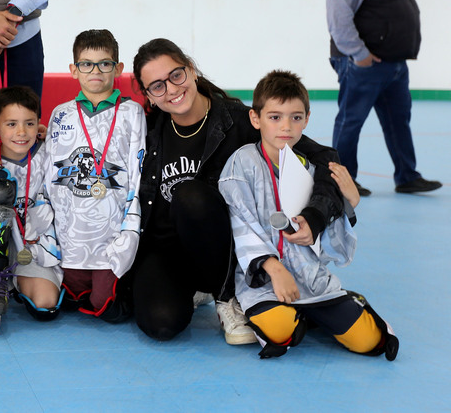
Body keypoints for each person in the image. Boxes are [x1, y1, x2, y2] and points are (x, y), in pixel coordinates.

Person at [131, 38, 347, 345]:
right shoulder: (146, 130)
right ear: (149, 96)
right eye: (157, 86)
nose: (171, 90)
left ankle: (225, 296)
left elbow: (324, 157)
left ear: (191, 70)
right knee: (161, 325)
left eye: (176, 75)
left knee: (191, 195)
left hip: (227, 251)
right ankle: (196, 288)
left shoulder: (238, 121)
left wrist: (316, 215)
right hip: (167, 248)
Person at [219, 70, 398, 360]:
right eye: (275, 117)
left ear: (307, 118)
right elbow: (243, 226)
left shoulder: (313, 169)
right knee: (279, 331)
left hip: (312, 281)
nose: (286, 127)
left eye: (296, 117)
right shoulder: (241, 165)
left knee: (371, 341)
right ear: (256, 119)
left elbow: (332, 244)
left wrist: (351, 200)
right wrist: (275, 269)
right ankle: (296, 315)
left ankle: (318, 310)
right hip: (264, 283)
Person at [325, 0, 441, 196]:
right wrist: (360, 55)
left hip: (392, 64)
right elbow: (339, 20)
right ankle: (341, 182)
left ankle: (407, 176)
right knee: (351, 122)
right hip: (364, 64)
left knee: (398, 121)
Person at [44, 30, 144, 322]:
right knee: (68, 299)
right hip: (70, 233)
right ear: (73, 70)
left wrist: (130, 228)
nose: (96, 71)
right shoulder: (60, 114)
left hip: (111, 231)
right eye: (86, 64)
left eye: (105, 63)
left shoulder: (132, 112)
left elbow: (137, 172)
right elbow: (51, 174)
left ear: (119, 68)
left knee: (105, 307)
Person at [0, 86, 63, 335]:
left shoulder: (48, 156)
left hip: (30, 246)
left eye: (29, 124)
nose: (21, 132)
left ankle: (15, 280)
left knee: (45, 303)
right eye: (11, 124)